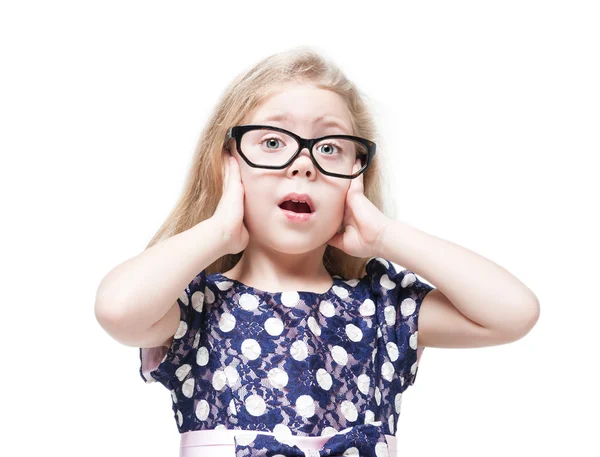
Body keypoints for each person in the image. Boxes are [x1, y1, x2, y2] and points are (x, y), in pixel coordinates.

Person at [95, 46, 539, 457]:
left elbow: (513, 312)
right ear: (229, 163)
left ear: (356, 174)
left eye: (329, 148)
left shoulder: (381, 306)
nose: (303, 163)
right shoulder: (196, 303)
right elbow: (118, 309)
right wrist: (218, 231)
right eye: (272, 141)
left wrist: (383, 235)